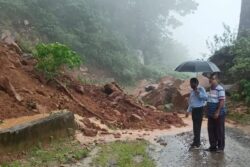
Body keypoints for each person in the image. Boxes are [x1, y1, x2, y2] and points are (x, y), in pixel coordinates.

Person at [206, 73, 226, 153]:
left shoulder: (220, 89)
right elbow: (210, 100)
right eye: (210, 78)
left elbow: (222, 101)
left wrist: (217, 112)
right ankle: (213, 146)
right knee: (211, 130)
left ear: (217, 79)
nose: (211, 80)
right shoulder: (211, 89)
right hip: (210, 113)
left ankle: (220, 148)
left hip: (219, 114)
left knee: (219, 130)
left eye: (213, 79)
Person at [186, 78, 208, 149]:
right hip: (194, 110)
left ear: (196, 83)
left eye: (192, 83)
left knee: (198, 127)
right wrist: (188, 111)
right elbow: (191, 102)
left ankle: (197, 143)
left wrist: (199, 93)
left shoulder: (201, 89)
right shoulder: (192, 91)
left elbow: (206, 98)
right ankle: (195, 141)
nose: (191, 85)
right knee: (195, 127)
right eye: (190, 83)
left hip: (199, 110)